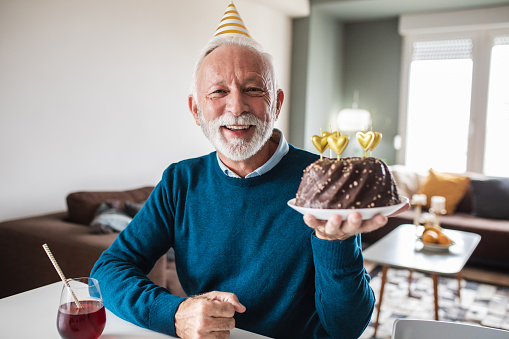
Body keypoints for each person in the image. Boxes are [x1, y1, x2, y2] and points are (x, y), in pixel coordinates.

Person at [91, 5, 408, 339]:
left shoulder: (325, 180)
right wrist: (174, 313)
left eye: (254, 89)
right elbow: (109, 270)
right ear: (195, 109)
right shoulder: (180, 182)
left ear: (277, 103)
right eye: (218, 92)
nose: (237, 107)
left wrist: (335, 243)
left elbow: (346, 329)